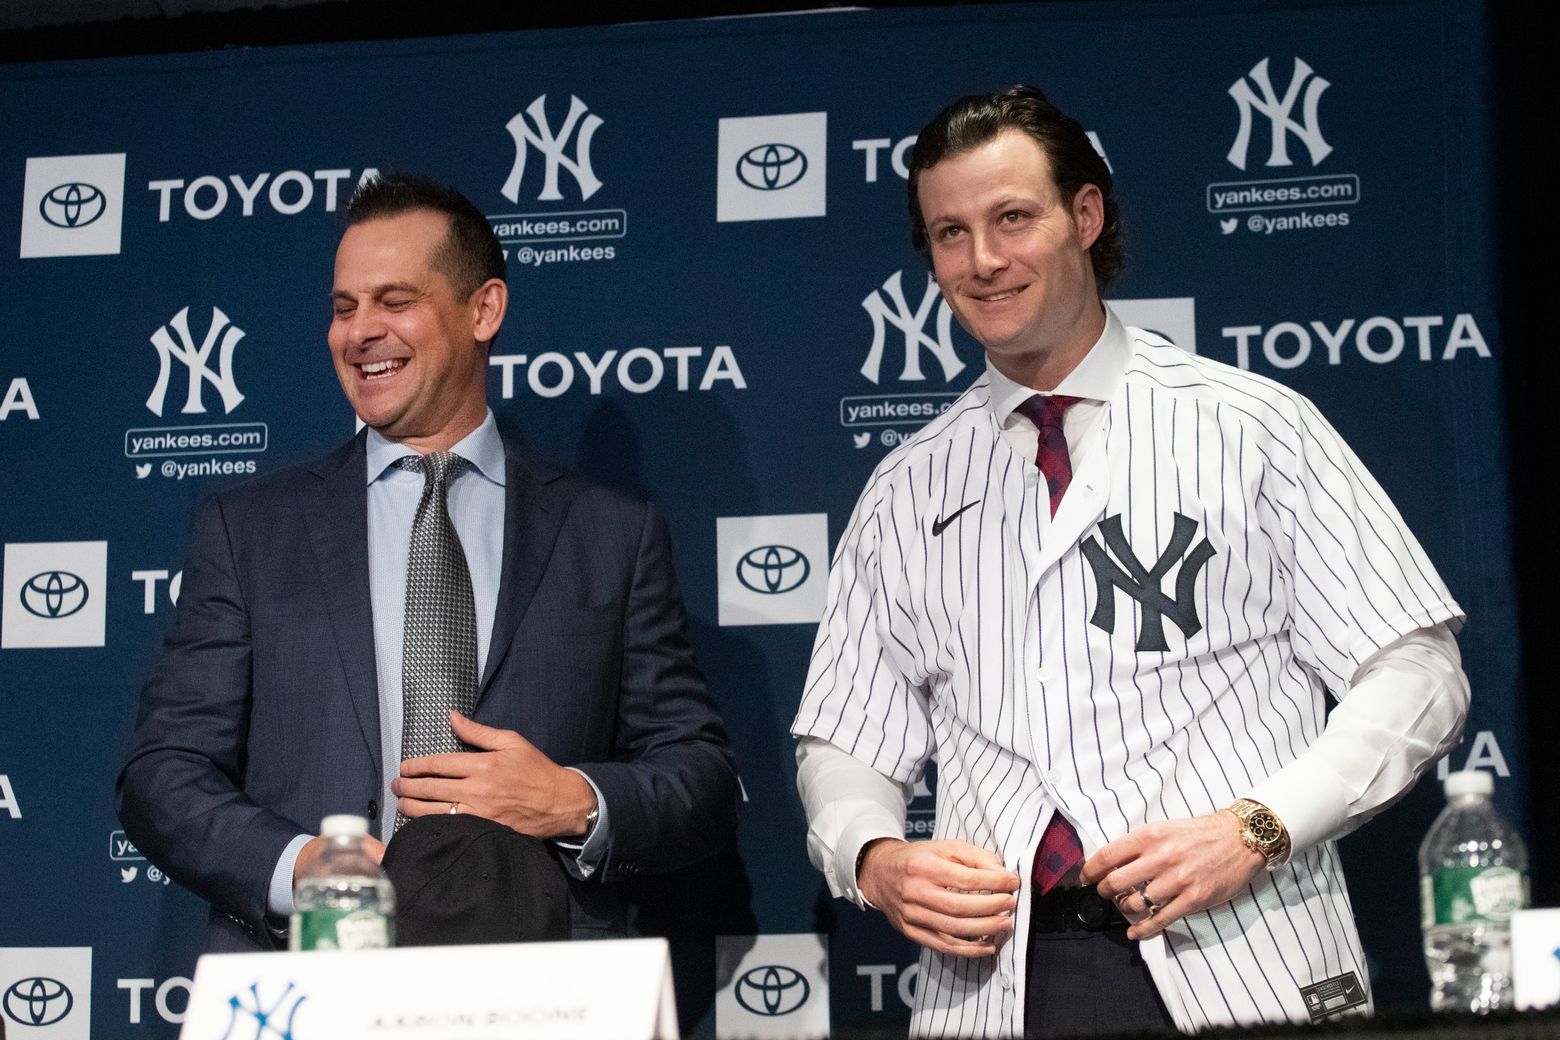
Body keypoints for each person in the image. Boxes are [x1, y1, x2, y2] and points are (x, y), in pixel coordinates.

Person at [792, 87, 1469, 1037]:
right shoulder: (906, 486)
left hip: (1246, 949)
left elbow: (1416, 675)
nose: (982, 261)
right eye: (950, 233)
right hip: (1000, 979)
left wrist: (1260, 826)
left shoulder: (1251, 427)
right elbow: (848, 739)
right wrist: (872, 854)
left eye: (1012, 218)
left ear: (1086, 216)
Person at [119, 173, 740, 950]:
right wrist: (301, 865)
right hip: (312, 975)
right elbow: (163, 772)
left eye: (394, 301)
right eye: (344, 308)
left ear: (483, 309)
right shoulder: (249, 531)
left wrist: (573, 799)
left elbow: (700, 776)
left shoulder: (610, 534)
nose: (359, 332)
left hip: (539, 981)